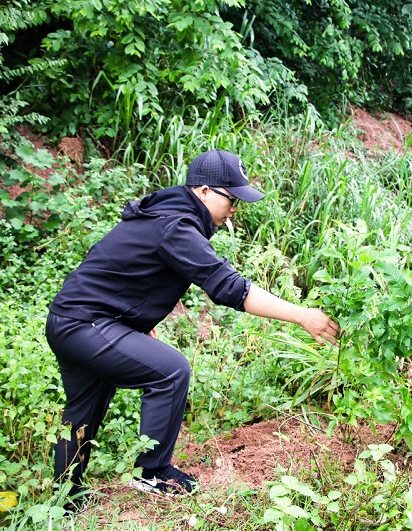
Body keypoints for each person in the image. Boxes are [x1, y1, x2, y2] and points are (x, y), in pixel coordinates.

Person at [46, 149, 340, 506]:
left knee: (83, 410)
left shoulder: (164, 214)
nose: (235, 209)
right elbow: (229, 287)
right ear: (202, 191)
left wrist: (130, 321)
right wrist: (301, 314)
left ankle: (64, 501)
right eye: (231, 199)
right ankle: (152, 473)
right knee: (170, 372)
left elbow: (117, 267)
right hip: (87, 324)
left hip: (71, 321)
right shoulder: (177, 225)